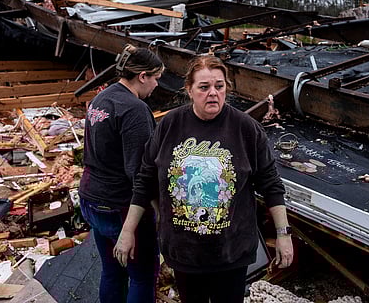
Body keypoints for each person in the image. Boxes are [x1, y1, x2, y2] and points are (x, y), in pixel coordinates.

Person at [114, 54, 294, 303]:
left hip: (231, 253)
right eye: (204, 87)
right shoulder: (169, 126)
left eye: (219, 86)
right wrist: (127, 231)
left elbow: (271, 185)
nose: (213, 93)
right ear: (189, 90)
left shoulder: (245, 129)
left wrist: (283, 234)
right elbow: (145, 181)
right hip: (184, 253)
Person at [78, 44, 164, 303]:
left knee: (113, 270)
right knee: (142, 275)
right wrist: (158, 207)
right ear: (142, 76)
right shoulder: (134, 110)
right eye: (156, 78)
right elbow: (140, 171)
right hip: (119, 206)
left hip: (91, 197)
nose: (158, 85)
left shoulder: (101, 99)